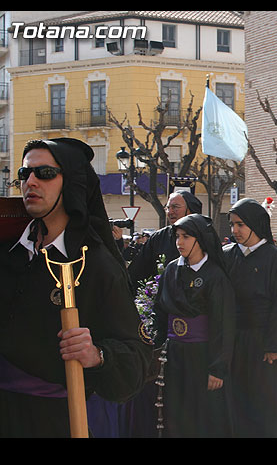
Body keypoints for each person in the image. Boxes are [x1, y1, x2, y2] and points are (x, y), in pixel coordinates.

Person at [0, 138, 152, 437]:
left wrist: (97, 354)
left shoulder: (97, 266)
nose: (30, 181)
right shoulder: (8, 252)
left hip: (52, 422)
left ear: (70, 182)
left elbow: (137, 360)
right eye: (24, 173)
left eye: (44, 173)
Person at [224, 198, 277, 437]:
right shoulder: (227, 255)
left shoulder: (275, 258)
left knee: (267, 409)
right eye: (232, 224)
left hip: (265, 347)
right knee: (237, 404)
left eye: (240, 224)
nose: (235, 231)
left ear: (254, 224)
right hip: (235, 344)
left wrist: (275, 346)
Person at [123, 189, 202, 437]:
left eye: (175, 207)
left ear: (190, 210)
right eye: (168, 207)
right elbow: (135, 276)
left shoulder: (205, 237)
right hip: (162, 318)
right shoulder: (158, 238)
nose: (170, 212)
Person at [152, 214, 235, 437]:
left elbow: (223, 324)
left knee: (200, 414)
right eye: (177, 236)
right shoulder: (171, 269)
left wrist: (217, 368)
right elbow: (160, 311)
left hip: (202, 355)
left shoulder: (214, 275)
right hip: (173, 354)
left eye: (186, 237)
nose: (179, 242)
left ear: (200, 239)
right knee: (173, 412)